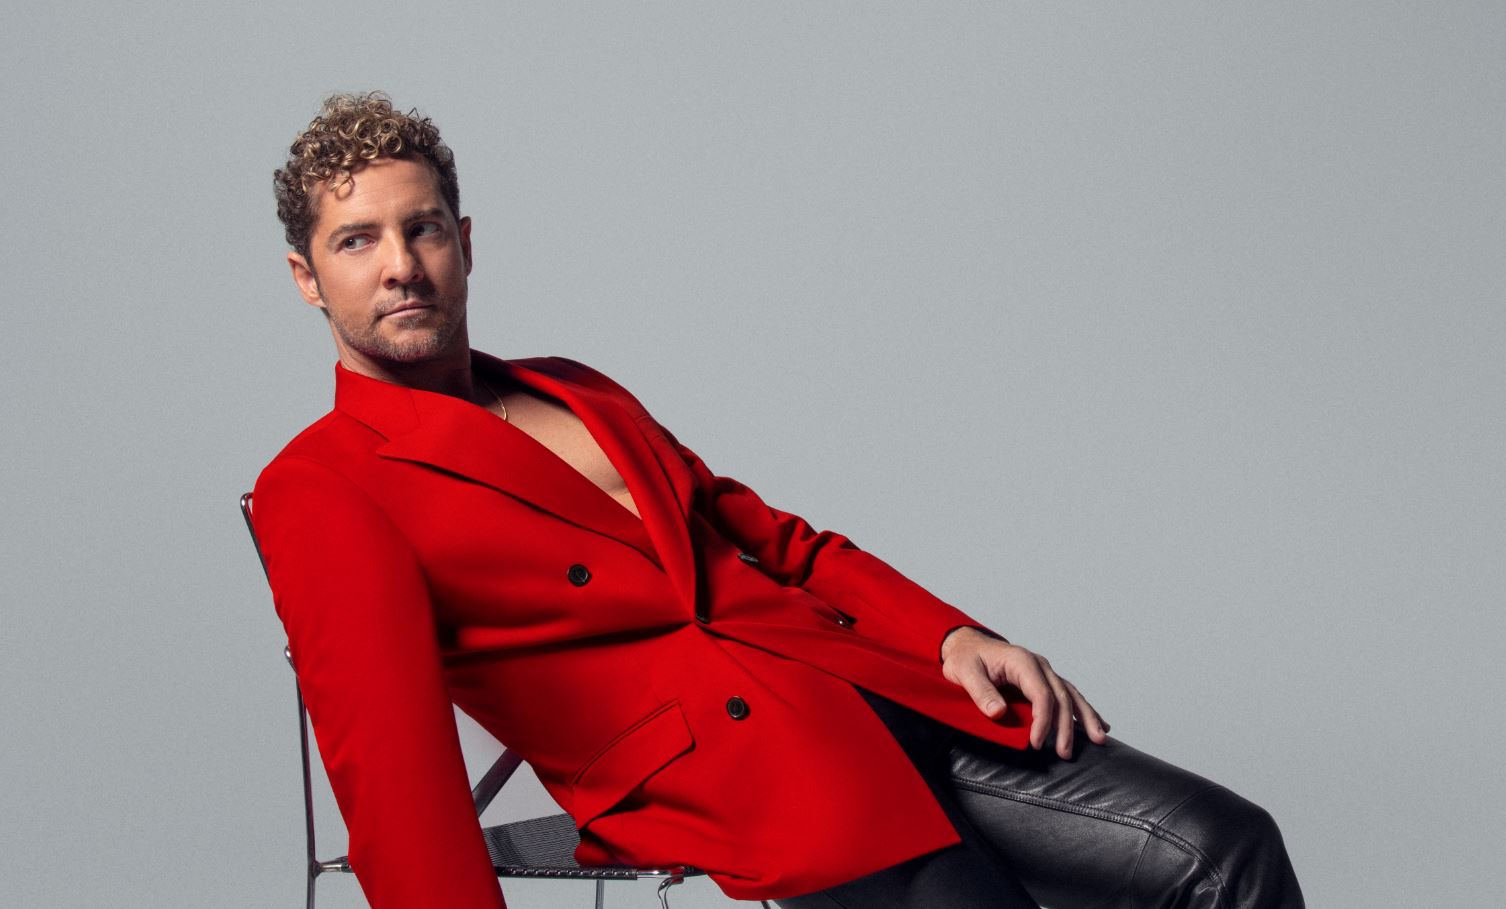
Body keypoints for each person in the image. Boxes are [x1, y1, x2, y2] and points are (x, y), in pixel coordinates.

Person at [254, 92, 1304, 909]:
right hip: (746, 775)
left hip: (873, 688)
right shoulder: (325, 485)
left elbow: (774, 539)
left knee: (1226, 848)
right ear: (306, 277)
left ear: (467, 240)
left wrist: (947, 634)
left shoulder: (574, 387)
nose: (401, 267)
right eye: (358, 241)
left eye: (423, 228)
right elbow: (396, 779)